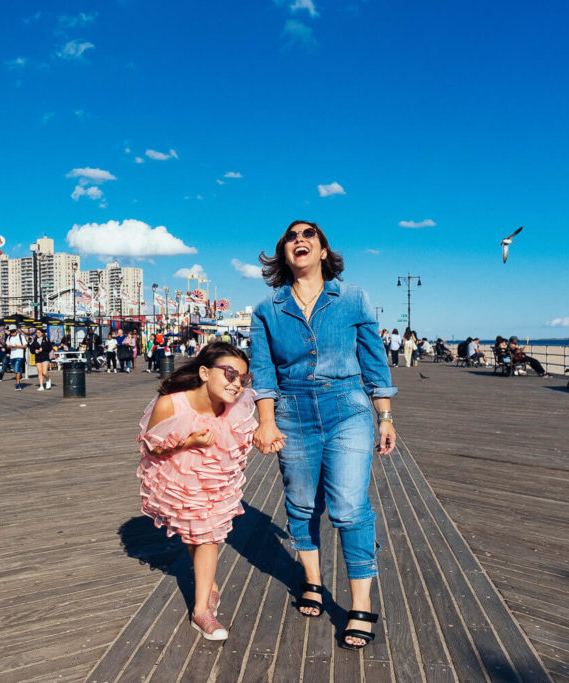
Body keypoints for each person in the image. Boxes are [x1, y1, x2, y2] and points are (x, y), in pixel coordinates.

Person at [250, 220, 396, 651]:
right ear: (283, 254)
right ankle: (312, 581)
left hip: (347, 407)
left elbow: (374, 359)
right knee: (300, 503)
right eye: (291, 236)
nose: (300, 239)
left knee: (349, 507)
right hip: (291, 412)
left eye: (308, 234)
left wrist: (384, 415)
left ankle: (360, 605)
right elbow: (263, 371)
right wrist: (266, 420)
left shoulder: (353, 298)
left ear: (323, 249)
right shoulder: (267, 310)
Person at [137, 342, 257, 641]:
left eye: (243, 378)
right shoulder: (171, 403)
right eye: (229, 374)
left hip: (216, 478)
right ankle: (210, 587)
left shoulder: (234, 407)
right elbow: (152, 445)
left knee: (208, 535)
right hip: (178, 473)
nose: (236, 384)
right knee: (195, 532)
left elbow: (242, 439)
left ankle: (201, 610)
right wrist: (188, 442)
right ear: (204, 372)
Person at [5, 325, 28, 391]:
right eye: (11, 332)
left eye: (13, 331)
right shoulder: (9, 337)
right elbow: (7, 346)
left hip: (19, 355)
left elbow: (25, 346)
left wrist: (18, 346)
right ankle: (19, 378)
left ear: (16, 330)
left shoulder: (21, 336)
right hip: (12, 356)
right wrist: (11, 346)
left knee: (17, 369)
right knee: (15, 370)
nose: (12, 333)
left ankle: (18, 385)